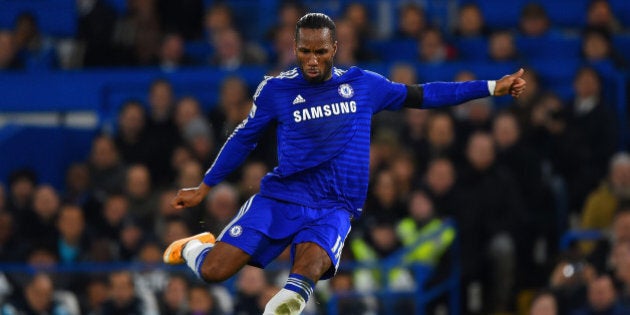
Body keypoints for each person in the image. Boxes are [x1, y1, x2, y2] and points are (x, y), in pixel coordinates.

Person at [163, 13, 526, 314]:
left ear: (335, 48)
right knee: (213, 272)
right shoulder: (276, 90)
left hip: (335, 206)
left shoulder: (364, 85)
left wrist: (493, 86)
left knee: (301, 278)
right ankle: (197, 246)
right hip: (281, 198)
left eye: (321, 51)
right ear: (295, 48)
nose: (313, 60)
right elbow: (244, 137)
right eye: (305, 51)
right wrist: (205, 186)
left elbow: (425, 94)